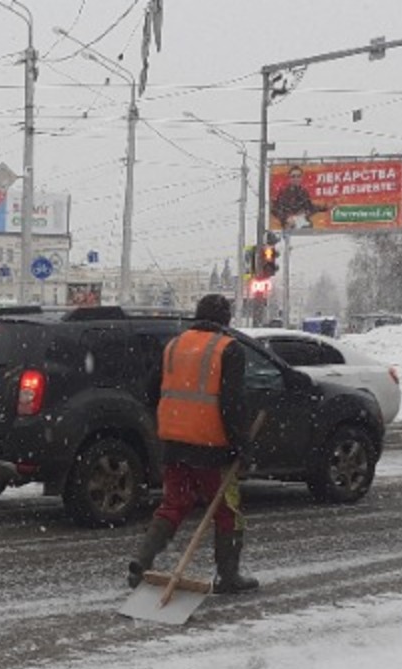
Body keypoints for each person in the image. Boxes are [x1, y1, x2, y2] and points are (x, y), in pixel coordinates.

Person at [129, 293, 260, 595]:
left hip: (174, 442)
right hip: (212, 447)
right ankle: (228, 576)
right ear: (225, 320)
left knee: (174, 503)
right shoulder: (229, 349)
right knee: (228, 510)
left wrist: (175, 418)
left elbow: (149, 392)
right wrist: (243, 444)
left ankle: (142, 560)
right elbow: (232, 404)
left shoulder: (175, 345)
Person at [272, 166, 321, 230]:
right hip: (289, 226)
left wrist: (322, 207)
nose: (296, 178)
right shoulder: (284, 192)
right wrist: (286, 218)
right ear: (289, 178)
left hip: (302, 224)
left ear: (301, 178)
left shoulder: (304, 192)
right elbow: (276, 209)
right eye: (293, 176)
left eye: (298, 176)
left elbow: (309, 207)